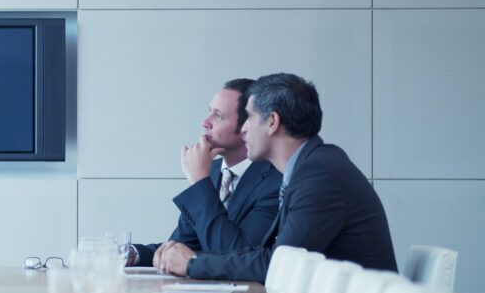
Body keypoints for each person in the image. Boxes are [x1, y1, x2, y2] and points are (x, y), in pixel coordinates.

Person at [157, 73, 398, 281]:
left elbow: (279, 265)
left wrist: (192, 264)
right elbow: (270, 255)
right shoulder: (310, 167)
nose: (243, 129)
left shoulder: (320, 174)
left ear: (272, 122)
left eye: (249, 117)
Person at [131, 79, 281, 266]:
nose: (205, 122)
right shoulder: (213, 170)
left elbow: (237, 255)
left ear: (246, 127)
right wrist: (133, 254)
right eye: (209, 111)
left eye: (218, 116)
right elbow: (183, 246)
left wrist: (199, 181)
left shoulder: (276, 180)